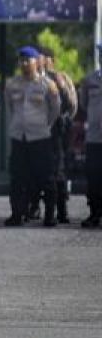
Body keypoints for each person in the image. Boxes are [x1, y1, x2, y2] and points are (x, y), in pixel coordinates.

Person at [4, 46, 60, 227]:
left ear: (37, 62)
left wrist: (44, 125)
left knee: (46, 178)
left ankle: (50, 215)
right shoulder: (12, 84)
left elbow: (55, 109)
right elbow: (10, 107)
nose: (24, 64)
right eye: (21, 60)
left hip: (40, 138)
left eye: (28, 60)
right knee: (17, 178)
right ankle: (16, 214)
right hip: (19, 137)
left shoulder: (47, 85)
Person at [41, 46, 78, 224]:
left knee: (58, 171)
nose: (41, 60)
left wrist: (64, 119)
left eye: (45, 57)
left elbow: (73, 105)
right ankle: (34, 208)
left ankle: (61, 210)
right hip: (38, 130)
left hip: (57, 130)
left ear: (52, 61)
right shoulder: (34, 79)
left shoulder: (61, 78)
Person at [78, 50, 102, 228]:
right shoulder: (90, 80)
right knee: (94, 177)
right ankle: (95, 213)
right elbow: (84, 104)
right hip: (94, 137)